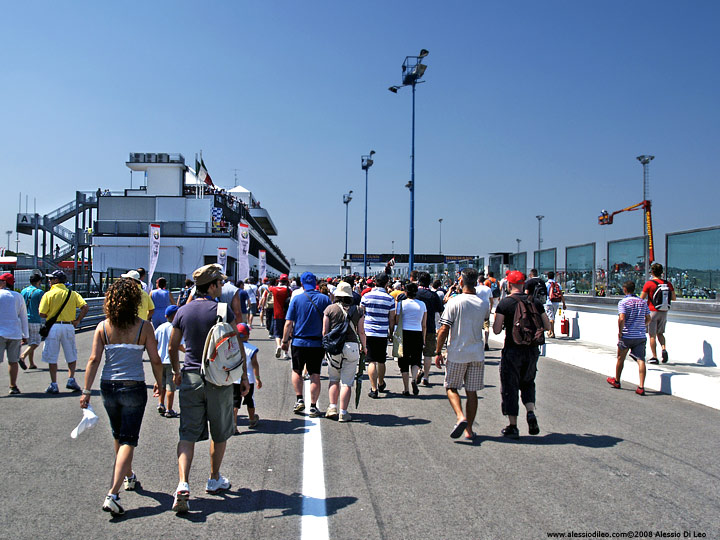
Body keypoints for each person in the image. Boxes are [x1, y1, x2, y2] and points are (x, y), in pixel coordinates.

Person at [168, 264, 249, 513]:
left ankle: (183, 483)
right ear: (212, 285)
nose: (222, 287)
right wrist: (243, 376)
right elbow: (236, 344)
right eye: (220, 283)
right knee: (220, 431)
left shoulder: (183, 311)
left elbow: (172, 346)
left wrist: (176, 371)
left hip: (191, 377)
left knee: (187, 433)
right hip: (219, 379)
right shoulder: (223, 310)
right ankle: (214, 478)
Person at [80, 278, 164, 516]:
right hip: (133, 386)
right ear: (135, 302)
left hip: (108, 386)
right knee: (129, 438)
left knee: (118, 434)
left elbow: (93, 360)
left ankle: (128, 475)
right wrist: (160, 383)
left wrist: (86, 390)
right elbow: (155, 359)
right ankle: (113, 494)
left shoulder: (103, 327)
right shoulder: (144, 326)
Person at [493, 270, 551, 439]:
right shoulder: (535, 303)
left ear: (509, 285)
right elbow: (547, 326)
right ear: (523, 284)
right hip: (532, 350)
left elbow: (496, 330)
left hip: (512, 349)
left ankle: (513, 425)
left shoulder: (505, 303)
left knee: (510, 386)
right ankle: (530, 412)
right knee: (528, 382)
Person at [434, 268, 489, 439]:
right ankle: (469, 429)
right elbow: (485, 320)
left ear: (461, 282)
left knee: (451, 387)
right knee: (471, 392)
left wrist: (438, 351)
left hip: (457, 352)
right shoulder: (483, 304)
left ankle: (460, 416)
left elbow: (444, 329)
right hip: (477, 353)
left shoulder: (454, 302)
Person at [282, 272, 332, 417]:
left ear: (302, 284)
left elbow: (288, 323)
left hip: (299, 341)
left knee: (297, 370)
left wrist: (284, 342)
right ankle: (313, 406)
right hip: (317, 342)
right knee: (315, 374)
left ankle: (299, 399)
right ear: (315, 283)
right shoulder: (325, 299)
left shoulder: (296, 299)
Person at [40, 270, 89, 394]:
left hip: (54, 326)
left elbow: (42, 313)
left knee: (52, 355)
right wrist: (78, 320)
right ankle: (71, 378)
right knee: (71, 353)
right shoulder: (72, 294)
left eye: (51, 279)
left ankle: (54, 384)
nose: (50, 281)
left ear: (56, 280)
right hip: (68, 325)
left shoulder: (49, 294)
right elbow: (85, 306)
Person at [323, 281, 365, 422]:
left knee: (334, 379)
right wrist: (364, 347)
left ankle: (332, 407)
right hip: (352, 347)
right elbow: (361, 332)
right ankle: (343, 412)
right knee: (347, 382)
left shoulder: (330, 309)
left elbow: (325, 331)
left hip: (335, 347)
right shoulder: (358, 310)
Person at [607, 281, 651, 396]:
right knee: (641, 360)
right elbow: (648, 318)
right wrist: (642, 325)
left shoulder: (623, 302)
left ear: (625, 289)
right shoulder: (643, 302)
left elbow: (621, 318)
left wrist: (620, 332)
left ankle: (617, 380)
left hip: (627, 335)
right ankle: (641, 386)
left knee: (620, 358)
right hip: (640, 335)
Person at [360, 273, 396, 399]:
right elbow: (392, 318)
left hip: (369, 331)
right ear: (387, 283)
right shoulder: (389, 299)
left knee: (371, 360)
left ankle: (373, 388)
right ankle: (381, 383)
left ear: (375, 282)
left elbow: (361, 314)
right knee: (381, 360)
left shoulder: (366, 296)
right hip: (382, 331)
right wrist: (391, 332)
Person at [640, 263, 676, 364]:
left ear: (652, 272)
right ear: (662, 272)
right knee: (660, 333)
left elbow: (641, 299)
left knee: (652, 335)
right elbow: (674, 298)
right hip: (664, 311)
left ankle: (654, 357)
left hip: (652, 311)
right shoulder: (667, 284)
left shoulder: (649, 284)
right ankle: (663, 349)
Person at [395, 282, 427, 396]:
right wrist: (423, 338)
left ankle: (406, 388)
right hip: (417, 333)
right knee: (416, 359)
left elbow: (397, 320)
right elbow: (424, 324)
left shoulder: (401, 304)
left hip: (404, 333)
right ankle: (414, 379)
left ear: (406, 292)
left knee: (403, 361)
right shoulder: (422, 305)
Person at [0, 273, 28, 394]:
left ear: (4, 283)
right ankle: (13, 386)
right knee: (13, 361)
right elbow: (23, 316)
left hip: (0, 332)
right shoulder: (18, 296)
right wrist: (25, 335)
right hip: (15, 333)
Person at [155, 305, 184, 418]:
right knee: (170, 386)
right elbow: (179, 345)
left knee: (161, 383)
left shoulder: (160, 327)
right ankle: (169, 409)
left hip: (160, 359)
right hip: (171, 360)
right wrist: (187, 351)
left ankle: (160, 403)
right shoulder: (175, 328)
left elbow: (154, 340)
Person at [415, 272, 444, 386]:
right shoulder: (433, 295)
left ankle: (417, 370)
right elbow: (441, 311)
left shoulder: (415, 293)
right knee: (428, 354)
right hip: (430, 327)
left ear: (418, 280)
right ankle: (426, 377)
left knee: (416, 353)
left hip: (415, 327)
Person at [233, 323, 261, 432]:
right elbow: (255, 365)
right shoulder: (251, 349)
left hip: (235, 379)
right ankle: (252, 419)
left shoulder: (233, 348)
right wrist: (258, 378)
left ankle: (234, 424)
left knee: (235, 401)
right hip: (249, 379)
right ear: (247, 335)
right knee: (250, 400)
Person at [19, 273, 44, 370]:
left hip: (24, 320)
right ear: (38, 281)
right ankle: (23, 356)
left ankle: (32, 363)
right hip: (35, 319)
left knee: (30, 342)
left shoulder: (23, 291)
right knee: (36, 342)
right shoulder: (39, 292)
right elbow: (42, 306)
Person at [269, 275, 291, 359]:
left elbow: (269, 288)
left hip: (277, 314)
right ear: (287, 281)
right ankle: (285, 353)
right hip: (287, 314)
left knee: (277, 333)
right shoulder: (289, 290)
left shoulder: (274, 289)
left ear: (279, 281)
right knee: (287, 335)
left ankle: (278, 345)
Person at [475, 272, 494, 352]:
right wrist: (491, 308)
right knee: (486, 325)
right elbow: (491, 300)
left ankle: (478, 342)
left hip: (477, 307)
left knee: (477, 326)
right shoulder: (488, 289)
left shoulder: (476, 288)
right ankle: (486, 342)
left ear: (478, 280)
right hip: (486, 307)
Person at [544, 271, 566, 338]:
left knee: (550, 318)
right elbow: (561, 294)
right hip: (556, 302)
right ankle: (550, 331)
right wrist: (564, 303)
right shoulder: (558, 284)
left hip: (548, 302)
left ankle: (552, 333)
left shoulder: (546, 284)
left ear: (548, 276)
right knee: (553, 317)